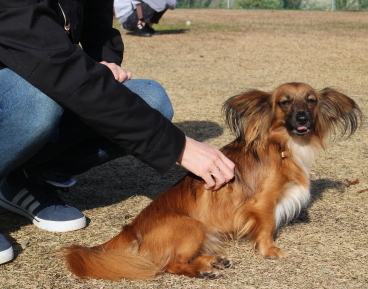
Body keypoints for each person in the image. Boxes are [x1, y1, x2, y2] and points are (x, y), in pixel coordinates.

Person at [0, 0, 235, 265]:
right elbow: (50, 62)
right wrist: (176, 145)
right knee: (38, 99)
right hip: (26, 79)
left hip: (47, 67)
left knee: (151, 99)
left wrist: (104, 63)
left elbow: (97, 29)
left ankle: (22, 177)